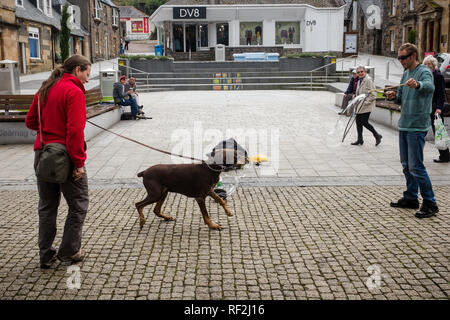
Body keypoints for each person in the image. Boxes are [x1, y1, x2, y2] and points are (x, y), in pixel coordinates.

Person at [25, 54, 91, 268]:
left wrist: (50, 134)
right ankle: (69, 251)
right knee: (79, 203)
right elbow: (74, 132)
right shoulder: (73, 91)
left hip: (43, 153)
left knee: (47, 206)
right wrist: (79, 162)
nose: (88, 80)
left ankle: (45, 254)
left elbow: (30, 122)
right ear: (78, 70)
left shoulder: (45, 88)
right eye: (87, 74)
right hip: (66, 157)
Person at [385, 43, 439, 219]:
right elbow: (401, 97)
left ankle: (430, 203)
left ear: (413, 56)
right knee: (407, 165)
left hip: (417, 125)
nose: (400, 61)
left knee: (416, 166)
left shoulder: (423, 71)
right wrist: (394, 96)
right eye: (398, 58)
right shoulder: (406, 72)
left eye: (403, 58)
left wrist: (418, 85)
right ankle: (411, 198)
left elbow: (429, 87)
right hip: (405, 124)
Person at [423, 55, 450, 163]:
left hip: (435, 108)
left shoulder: (437, 76)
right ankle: (445, 155)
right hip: (427, 107)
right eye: (425, 64)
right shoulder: (426, 76)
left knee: (439, 132)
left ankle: (445, 156)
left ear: (434, 65)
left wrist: (439, 108)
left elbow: (441, 93)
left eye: (429, 64)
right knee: (434, 131)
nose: (427, 65)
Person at [350, 66, 382, 146]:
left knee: (364, 122)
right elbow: (360, 93)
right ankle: (360, 140)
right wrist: (356, 97)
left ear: (365, 72)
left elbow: (374, 95)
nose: (360, 73)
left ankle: (377, 135)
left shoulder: (368, 80)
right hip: (359, 105)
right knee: (358, 122)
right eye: (358, 72)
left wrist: (365, 103)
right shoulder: (359, 80)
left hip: (366, 106)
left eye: (361, 71)